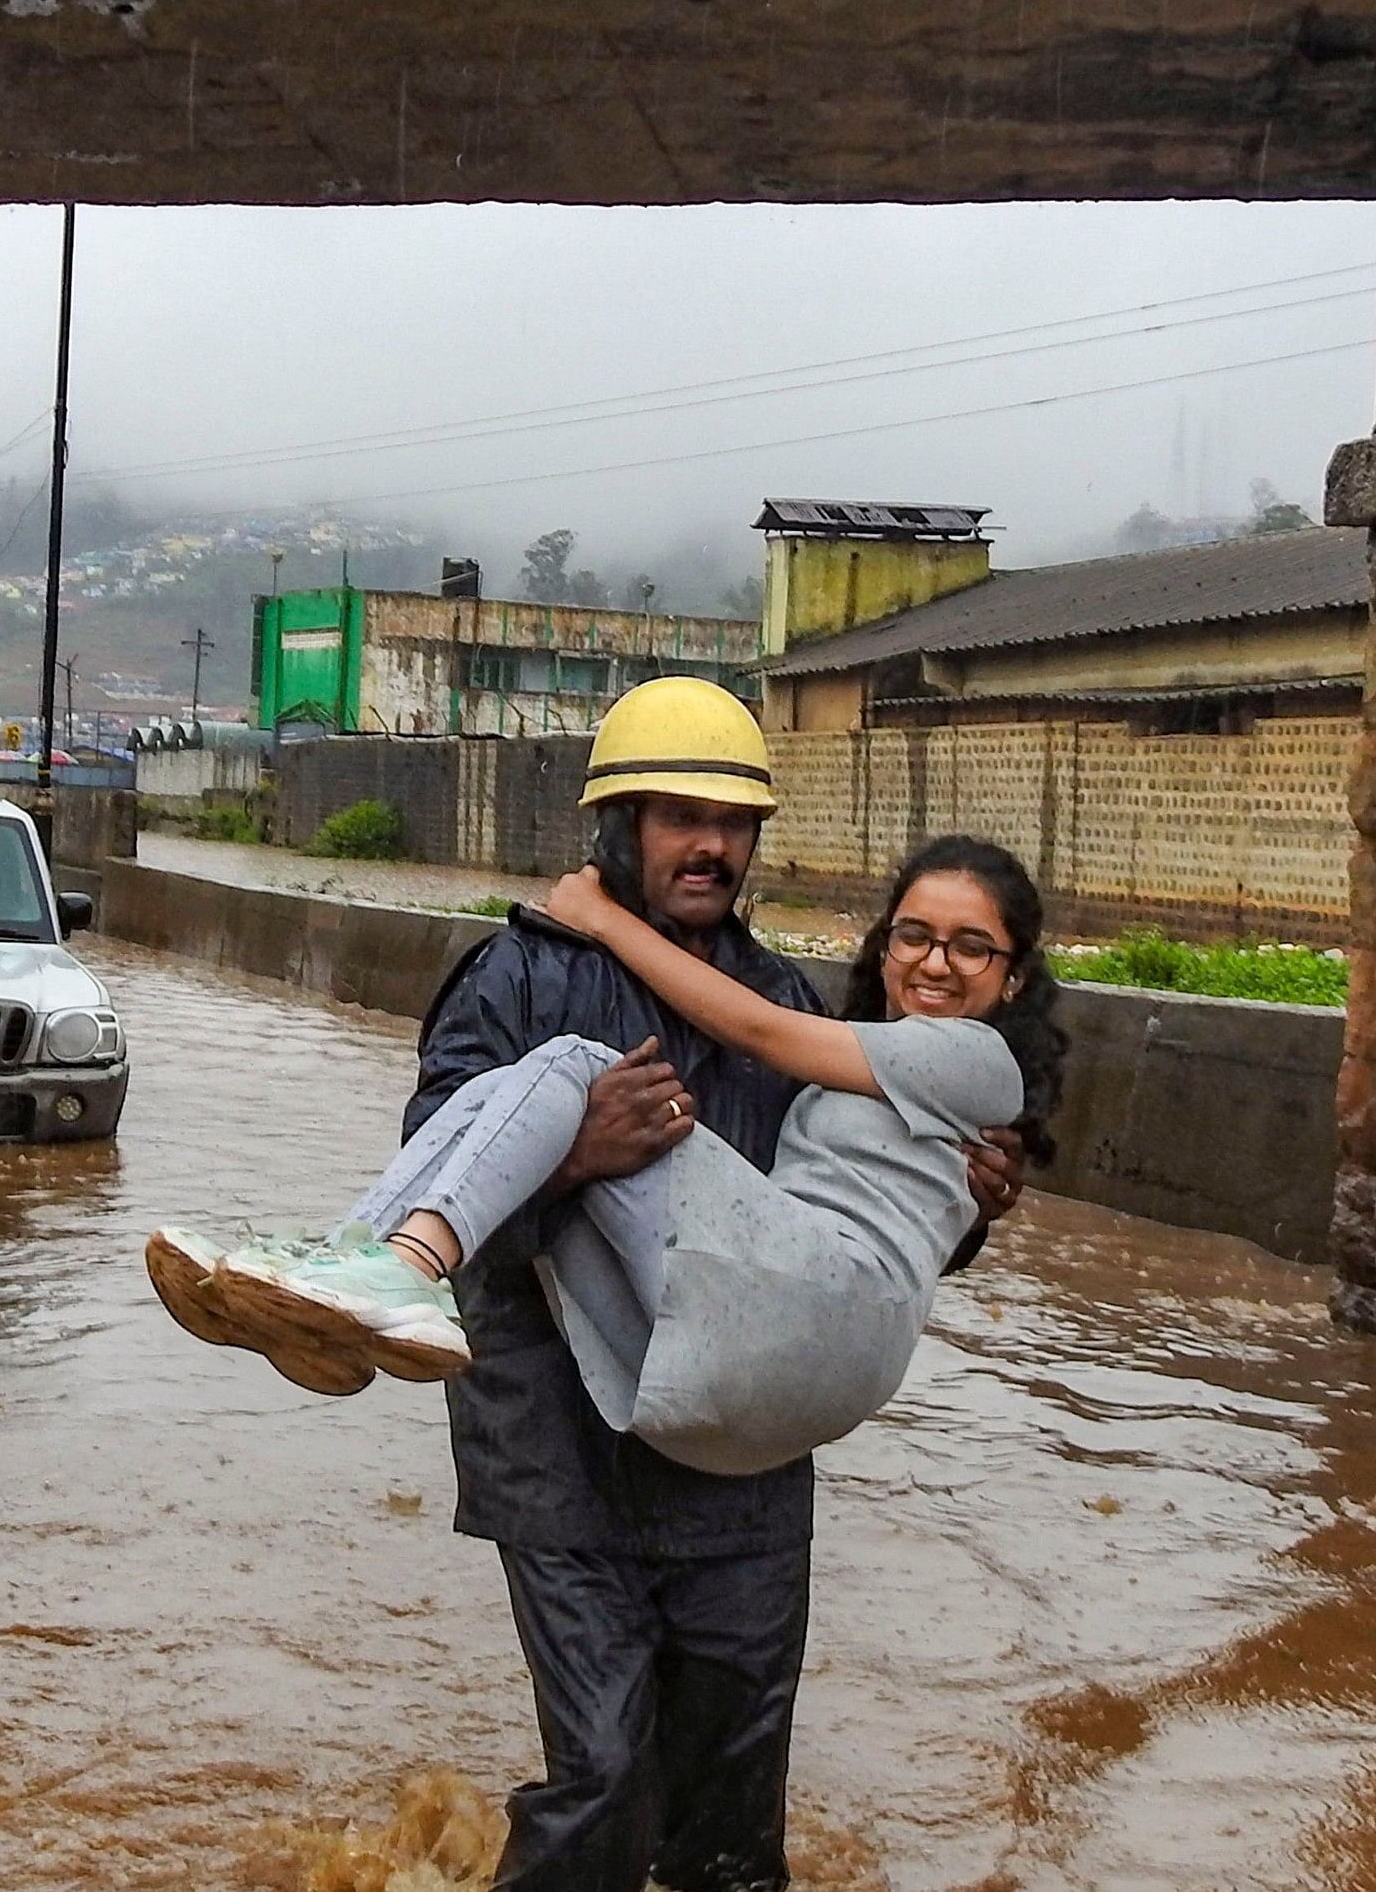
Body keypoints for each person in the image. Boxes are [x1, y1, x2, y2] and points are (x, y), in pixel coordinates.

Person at [160, 678, 1027, 1892]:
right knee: (608, 1771)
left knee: (730, 1820)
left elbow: (832, 1237)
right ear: (615, 826)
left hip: (733, 1451)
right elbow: (438, 1154)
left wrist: (967, 1207)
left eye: (731, 823)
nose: (710, 844)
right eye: (677, 815)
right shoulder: (516, 978)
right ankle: (352, 1284)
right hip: (559, 1440)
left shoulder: (782, 1002)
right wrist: (574, 1156)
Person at [148, 839, 1065, 1480]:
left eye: (972, 945)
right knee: (509, 1097)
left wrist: (599, 916)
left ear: (1013, 977)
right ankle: (338, 1293)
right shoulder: (889, 1065)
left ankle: (403, 1264)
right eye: (914, 934)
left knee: (580, 1064)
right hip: (777, 1377)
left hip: (829, 1304)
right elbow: (910, 1198)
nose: (937, 962)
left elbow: (753, 1025)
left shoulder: (976, 1055)